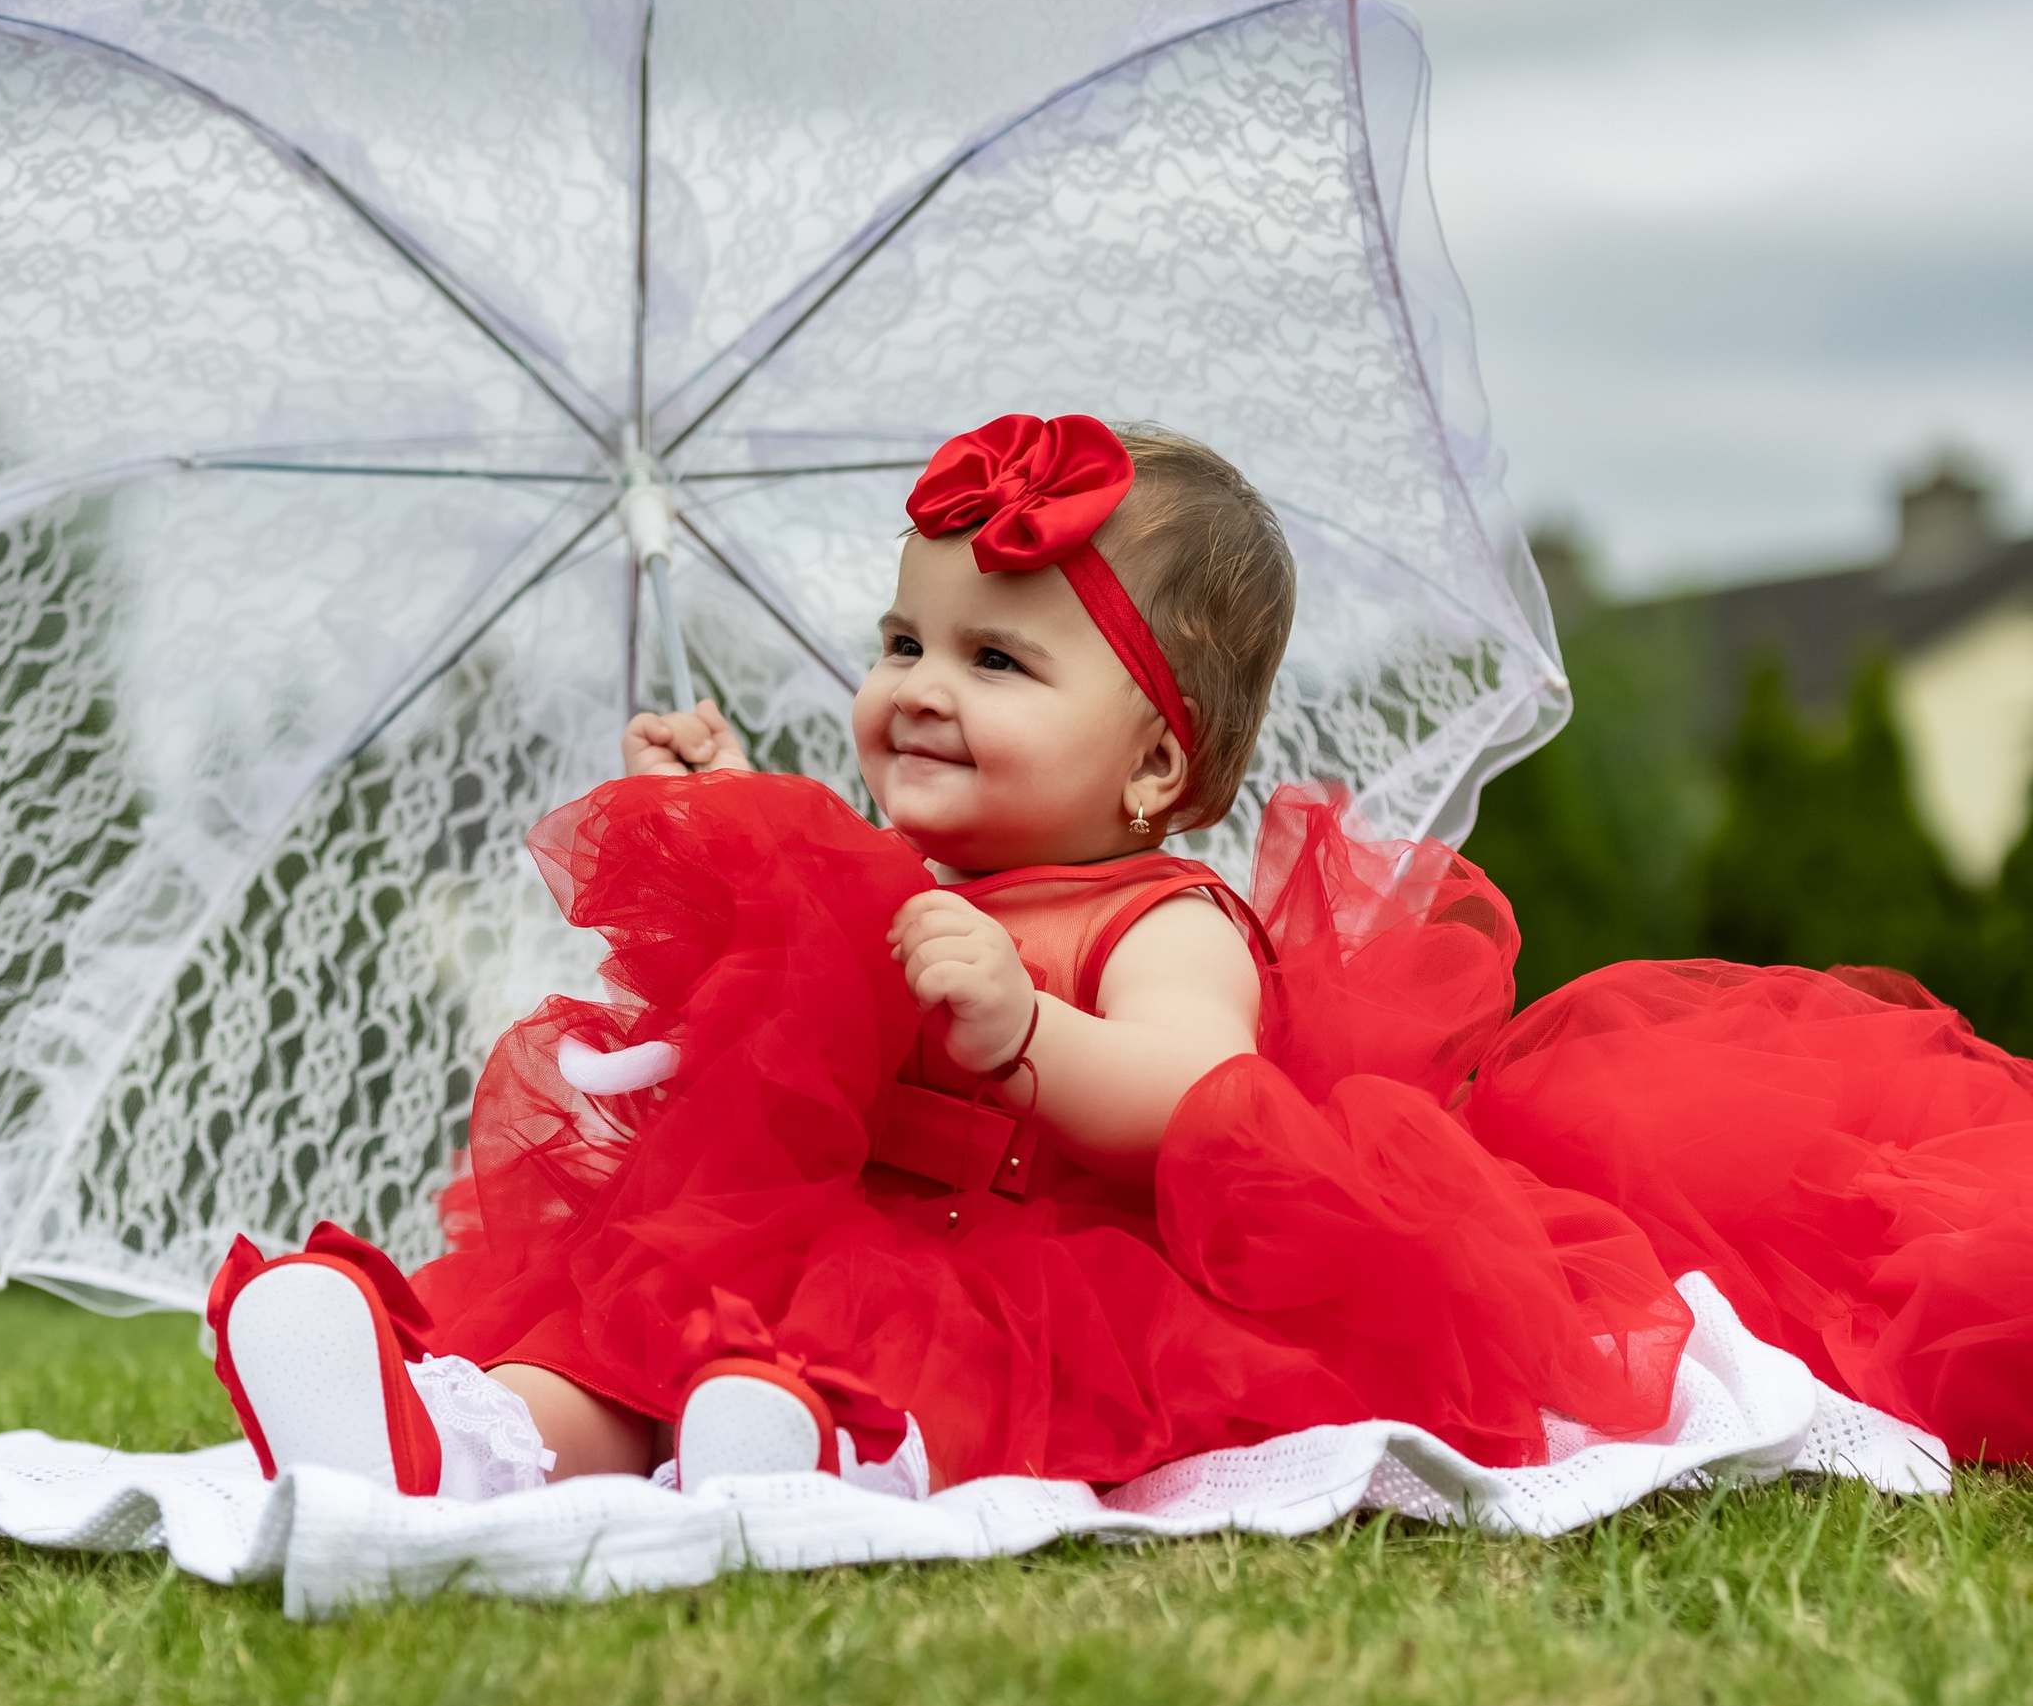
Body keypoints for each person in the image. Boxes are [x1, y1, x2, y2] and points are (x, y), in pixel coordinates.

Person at [207, 411, 2033, 1500]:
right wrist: (728, 830)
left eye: (998, 663)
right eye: (902, 638)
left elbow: (1193, 1094)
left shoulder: (1158, 922)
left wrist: (1023, 1037)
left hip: (1044, 1271)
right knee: (641, 1326)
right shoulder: (885, 870)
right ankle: (454, 1437)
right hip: (843, 1239)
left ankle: (817, 1465)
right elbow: (778, 1040)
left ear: (1157, 761)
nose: (920, 686)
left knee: (871, 1373)